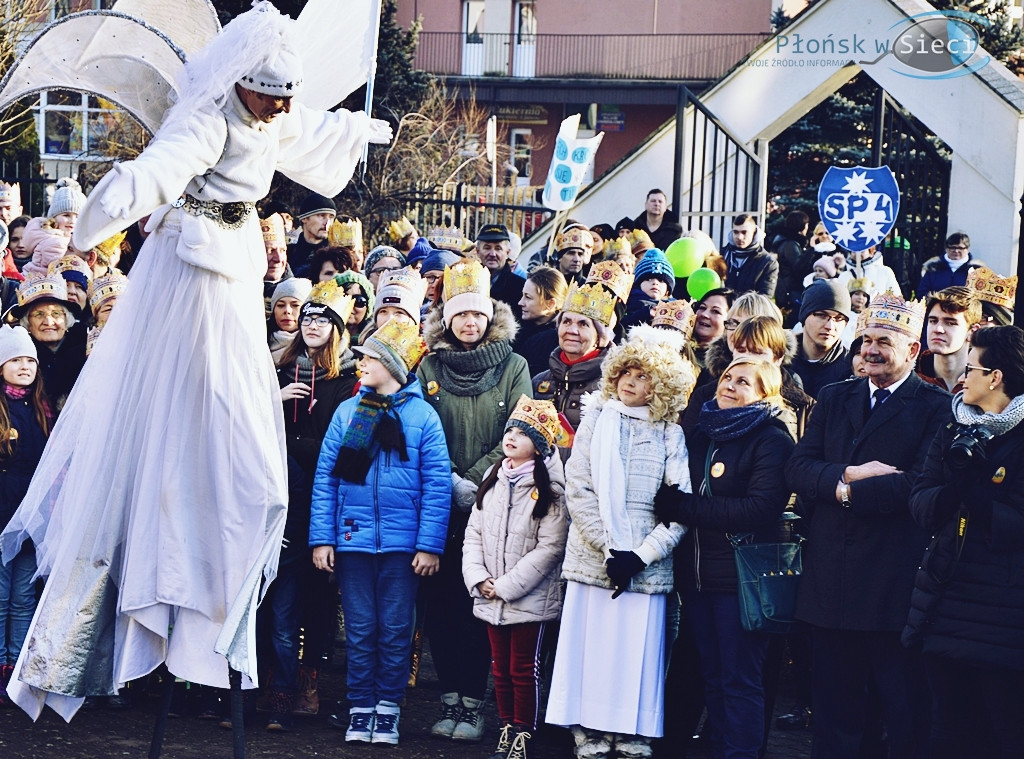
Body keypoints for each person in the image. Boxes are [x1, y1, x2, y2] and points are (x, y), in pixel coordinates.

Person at [0, 2, 392, 720]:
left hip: (239, 268)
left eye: (285, 94)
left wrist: (361, 128)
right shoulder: (207, 119)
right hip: (191, 276)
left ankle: (220, 574)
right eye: (268, 92)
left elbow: (313, 130)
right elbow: (158, 170)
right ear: (241, 81)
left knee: (243, 434)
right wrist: (106, 206)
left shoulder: (276, 112)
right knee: (202, 413)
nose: (278, 105)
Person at [785, 292, 950, 759]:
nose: (871, 350)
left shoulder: (935, 407)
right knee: (834, 714)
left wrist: (845, 490)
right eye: (866, 340)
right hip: (830, 583)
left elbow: (920, 484)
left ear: (914, 350)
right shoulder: (836, 397)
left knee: (899, 713)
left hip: (891, 587)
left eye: (884, 342)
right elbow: (798, 468)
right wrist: (844, 481)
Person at [546, 324, 695, 759]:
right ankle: (588, 726)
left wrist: (640, 555)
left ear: (663, 383)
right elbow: (579, 488)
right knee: (591, 645)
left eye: (645, 375)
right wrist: (609, 550)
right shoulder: (596, 419)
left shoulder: (671, 433)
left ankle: (632, 729)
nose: (632, 381)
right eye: (627, 371)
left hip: (645, 565)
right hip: (596, 558)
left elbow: (679, 504)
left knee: (636, 652)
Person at [311, 319, 450, 745]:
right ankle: (360, 706)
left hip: (402, 547)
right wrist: (323, 537)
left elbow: (437, 483)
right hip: (353, 542)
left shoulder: (423, 416)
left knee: (394, 628)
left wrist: (429, 544)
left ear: (391, 365)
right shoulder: (349, 411)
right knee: (359, 627)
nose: (360, 363)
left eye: (369, 357)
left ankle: (387, 707)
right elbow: (327, 479)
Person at [655, 357, 796, 759]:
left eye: (744, 382)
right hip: (698, 579)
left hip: (741, 582)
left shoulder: (772, 439)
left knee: (740, 681)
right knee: (713, 676)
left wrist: (684, 507)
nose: (730, 385)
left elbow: (758, 508)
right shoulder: (700, 431)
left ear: (764, 394)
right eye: (728, 377)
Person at [417, 258, 532, 742]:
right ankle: (448, 696)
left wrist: (477, 481)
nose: (469, 323)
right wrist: (448, 480)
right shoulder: (428, 365)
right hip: (439, 501)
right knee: (440, 603)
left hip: (494, 501)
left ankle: (474, 699)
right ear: (447, 318)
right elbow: (418, 427)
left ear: (490, 317)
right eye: (459, 314)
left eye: (477, 314)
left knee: (479, 603)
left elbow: (520, 428)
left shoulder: (514, 364)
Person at [903, 325, 1024, 759]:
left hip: (1002, 620)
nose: (962, 377)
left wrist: (975, 489)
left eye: (971, 368)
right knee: (947, 733)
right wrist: (955, 489)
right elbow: (920, 502)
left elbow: (1013, 527)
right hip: (944, 604)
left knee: (1004, 733)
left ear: (996, 377)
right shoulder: (954, 425)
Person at [265, 279, 359, 729]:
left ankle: (309, 681)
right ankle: (274, 683)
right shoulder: (276, 372)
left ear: (337, 327)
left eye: (323, 319)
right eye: (307, 318)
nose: (312, 324)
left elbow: (348, 449)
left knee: (318, 599)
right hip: (279, 497)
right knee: (277, 598)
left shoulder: (348, 381)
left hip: (324, 500)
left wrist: (303, 451)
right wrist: (273, 400)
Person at [463, 395, 569, 759]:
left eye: (523, 434)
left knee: (524, 668)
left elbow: (550, 548)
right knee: (500, 668)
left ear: (539, 447)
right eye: (510, 428)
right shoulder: (494, 478)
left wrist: (506, 586)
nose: (511, 436)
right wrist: (479, 579)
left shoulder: (551, 492)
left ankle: (525, 733)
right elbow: (474, 532)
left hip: (527, 599)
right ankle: (506, 726)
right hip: (490, 594)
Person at [0, 326, 53, 708]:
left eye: (29, 360)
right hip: (3, 513)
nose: (24, 366)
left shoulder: (41, 410)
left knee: (23, 596)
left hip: (31, 515)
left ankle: (16, 666)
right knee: (1, 595)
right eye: (15, 359)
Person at [532, 281, 617, 441]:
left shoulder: (613, 387)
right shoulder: (538, 381)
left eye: (583, 324)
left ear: (599, 336)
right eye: (566, 322)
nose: (572, 330)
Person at [13, 272, 86, 412]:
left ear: (67, 319)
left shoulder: (85, 349)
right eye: (39, 314)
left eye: (56, 314)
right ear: (27, 323)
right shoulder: (20, 354)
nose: (48, 322)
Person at [790, 279, 851, 398]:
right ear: (804, 316)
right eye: (822, 315)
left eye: (839, 318)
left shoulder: (851, 369)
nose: (830, 326)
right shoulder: (781, 361)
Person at [916, 286, 982, 393]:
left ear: (972, 332)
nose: (938, 329)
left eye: (950, 323)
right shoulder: (910, 376)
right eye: (933, 321)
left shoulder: (984, 382)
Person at [513, 266, 567, 378]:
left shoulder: (559, 341)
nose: (520, 302)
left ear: (551, 304)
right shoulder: (517, 329)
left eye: (528, 297)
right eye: (522, 295)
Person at [721, 214, 777, 298]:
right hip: (721, 308)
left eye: (744, 232)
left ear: (754, 233)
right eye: (735, 232)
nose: (739, 237)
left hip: (749, 309)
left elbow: (765, 297)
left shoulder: (767, 262)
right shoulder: (722, 255)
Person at [476, 224, 526, 317]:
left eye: (498, 248)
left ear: (507, 252)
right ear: (478, 251)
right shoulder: (468, 282)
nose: (492, 254)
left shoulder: (520, 287)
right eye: (487, 248)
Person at [916, 232, 984, 298]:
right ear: (946, 248)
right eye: (952, 247)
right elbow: (922, 293)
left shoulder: (976, 270)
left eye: (960, 248)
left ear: (967, 249)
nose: (956, 251)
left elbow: (981, 295)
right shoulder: (933, 268)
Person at [622, 248, 675, 330]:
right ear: (638, 284)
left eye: (661, 281)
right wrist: (645, 314)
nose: (655, 283)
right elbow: (620, 325)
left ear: (668, 289)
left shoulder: (674, 307)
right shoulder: (627, 302)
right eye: (648, 279)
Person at [771, 210, 811, 311]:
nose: (807, 228)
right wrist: (812, 250)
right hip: (790, 292)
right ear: (801, 226)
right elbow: (799, 268)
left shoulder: (785, 241)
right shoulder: (790, 245)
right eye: (806, 225)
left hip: (787, 290)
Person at [288, 192, 336, 275]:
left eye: (331, 217)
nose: (327, 223)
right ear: (304, 218)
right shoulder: (287, 253)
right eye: (321, 215)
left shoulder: (336, 255)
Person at [267, 278, 313, 363]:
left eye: (295, 305)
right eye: (281, 305)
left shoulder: (316, 345)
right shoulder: (261, 342)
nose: (287, 311)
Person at [335, 270, 375, 342]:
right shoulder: (319, 337)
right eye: (343, 297)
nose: (349, 305)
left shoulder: (374, 340)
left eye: (358, 301)